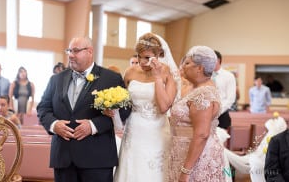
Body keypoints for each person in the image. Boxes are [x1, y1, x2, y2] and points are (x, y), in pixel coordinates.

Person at [36, 36, 131, 182]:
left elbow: (124, 111)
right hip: (63, 158)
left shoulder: (110, 78)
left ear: (90, 52)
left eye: (76, 51)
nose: (71, 55)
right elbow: (43, 108)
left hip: (97, 159)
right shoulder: (56, 79)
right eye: (69, 51)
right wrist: (54, 125)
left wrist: (93, 126)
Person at [114, 33, 177, 182]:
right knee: (131, 167)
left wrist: (157, 77)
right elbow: (122, 102)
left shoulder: (167, 73)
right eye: (139, 56)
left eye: (147, 58)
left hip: (157, 130)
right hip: (134, 128)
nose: (142, 61)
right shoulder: (130, 72)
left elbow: (163, 107)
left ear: (158, 55)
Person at [169, 46, 230, 182]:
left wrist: (186, 171)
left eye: (187, 63)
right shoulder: (194, 87)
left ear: (199, 68)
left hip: (196, 155)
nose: (183, 66)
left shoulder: (203, 94)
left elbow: (202, 134)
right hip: (182, 150)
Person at [212, 50, 236, 129]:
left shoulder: (228, 76)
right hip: (204, 115)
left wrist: (217, 112)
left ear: (218, 60)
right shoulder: (205, 75)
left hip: (222, 115)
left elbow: (231, 98)